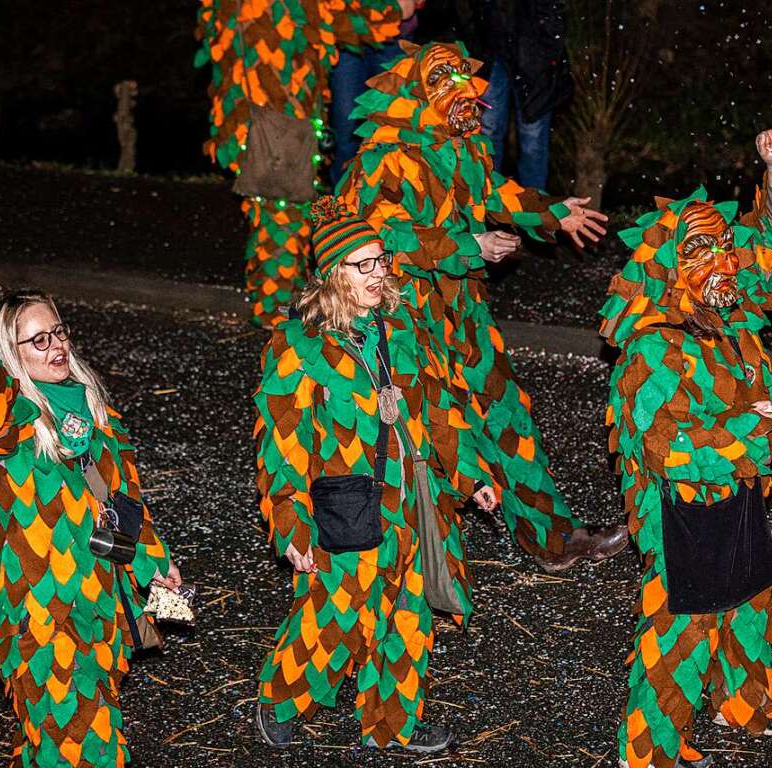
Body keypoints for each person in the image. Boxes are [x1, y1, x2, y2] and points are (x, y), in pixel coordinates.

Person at [337, 40, 626, 571]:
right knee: (429, 431)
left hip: (463, 310)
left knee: (506, 414)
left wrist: (551, 213)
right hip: (403, 318)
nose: (463, 91)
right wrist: (469, 246)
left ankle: (554, 539)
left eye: (462, 81)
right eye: (444, 82)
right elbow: (379, 236)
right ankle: (413, 564)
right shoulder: (384, 158)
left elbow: (492, 191)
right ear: (417, 95)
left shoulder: (464, 147)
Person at [599, 130, 772, 768]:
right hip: (681, 504)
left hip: (737, 489)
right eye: (701, 250)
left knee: (750, 596)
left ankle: (747, 703)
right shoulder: (654, 348)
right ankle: (648, 752)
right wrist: (757, 431)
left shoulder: (726, 311)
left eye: (725, 246)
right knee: (686, 622)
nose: (725, 261)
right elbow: (666, 448)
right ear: (671, 267)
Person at [253, 197, 495, 753]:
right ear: (333, 276)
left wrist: (468, 475)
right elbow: (282, 448)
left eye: (381, 260)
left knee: (406, 618)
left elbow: (435, 412)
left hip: (408, 501)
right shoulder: (298, 348)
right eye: (363, 265)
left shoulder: (399, 329)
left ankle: (392, 723)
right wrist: (290, 522)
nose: (379, 273)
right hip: (345, 504)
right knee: (335, 614)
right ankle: (281, 698)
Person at [0, 291, 182, 768]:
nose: (57, 346)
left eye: (59, 332)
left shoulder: (92, 408)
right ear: (11, 353)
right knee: (80, 736)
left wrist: (155, 562)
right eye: (39, 340)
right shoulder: (12, 417)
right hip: (39, 609)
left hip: (100, 598)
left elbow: (121, 500)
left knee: (63, 736)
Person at [194, 0, 409, 328]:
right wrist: (395, 10)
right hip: (276, 117)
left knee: (276, 212)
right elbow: (347, 19)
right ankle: (277, 310)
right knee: (282, 214)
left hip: (255, 114)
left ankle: (281, 300)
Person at [454, 0, 573, 189]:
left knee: (532, 139)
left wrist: (547, 49)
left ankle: (534, 206)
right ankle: (486, 202)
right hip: (490, 47)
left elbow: (554, 9)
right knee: (488, 134)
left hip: (532, 53)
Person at [328, 1, 422, 186]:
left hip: (394, 34)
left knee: (393, 128)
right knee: (347, 129)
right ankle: (340, 203)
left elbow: (406, 10)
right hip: (347, 34)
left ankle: (384, 207)